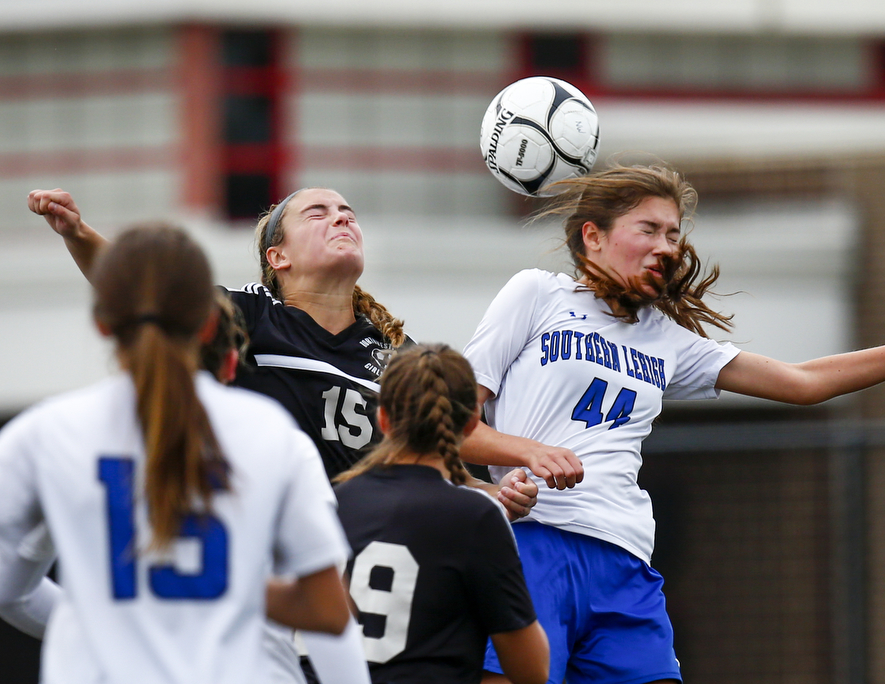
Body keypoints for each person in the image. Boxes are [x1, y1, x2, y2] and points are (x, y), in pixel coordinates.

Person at [459, 162, 885, 684]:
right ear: (592, 236)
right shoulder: (536, 295)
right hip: (534, 542)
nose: (665, 247)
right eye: (648, 228)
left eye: (673, 234)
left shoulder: (666, 339)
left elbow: (803, 383)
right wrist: (526, 452)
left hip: (624, 556)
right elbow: (456, 429)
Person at [27, 187, 537, 684]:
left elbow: (429, 452)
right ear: (278, 256)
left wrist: (490, 491)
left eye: (347, 211)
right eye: (317, 213)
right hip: (274, 562)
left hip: (369, 570)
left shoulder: (398, 351)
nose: (341, 218)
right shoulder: (249, 316)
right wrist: (78, 233)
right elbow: (149, 295)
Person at [0, 225, 353, 684]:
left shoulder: (44, 434)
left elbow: (10, 592)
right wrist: (231, 583)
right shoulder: (272, 435)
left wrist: (96, 613)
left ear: (102, 324)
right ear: (210, 324)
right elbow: (328, 610)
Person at [335, 344, 549, 684]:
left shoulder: (336, 500)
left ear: (383, 418)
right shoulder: (475, 516)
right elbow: (532, 670)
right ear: (471, 423)